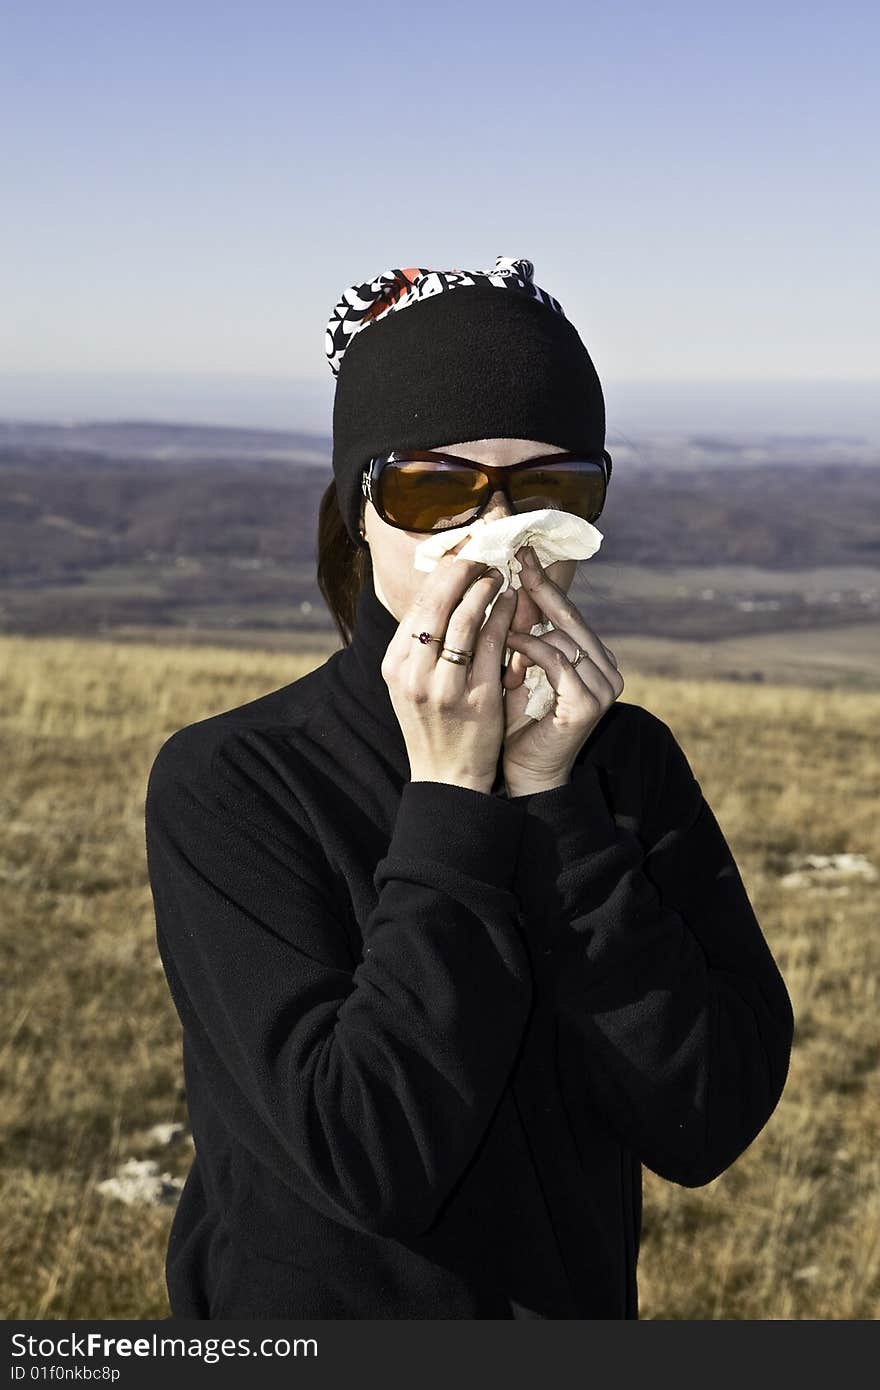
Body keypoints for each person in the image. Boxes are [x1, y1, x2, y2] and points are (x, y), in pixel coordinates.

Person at [144, 256, 795, 1319]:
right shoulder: (236, 780)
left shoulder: (625, 767)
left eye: (548, 491)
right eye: (434, 488)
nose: (494, 529)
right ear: (361, 511)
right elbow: (366, 1160)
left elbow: (705, 1119)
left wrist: (557, 808)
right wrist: (449, 801)